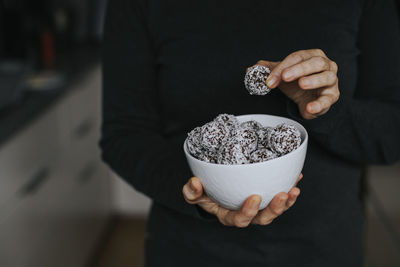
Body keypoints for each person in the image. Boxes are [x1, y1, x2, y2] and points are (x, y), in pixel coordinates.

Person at [100, 0, 400, 266]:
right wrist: (199, 191)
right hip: (189, 250)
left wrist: (325, 110)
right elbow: (124, 134)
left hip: (323, 249)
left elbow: (390, 136)